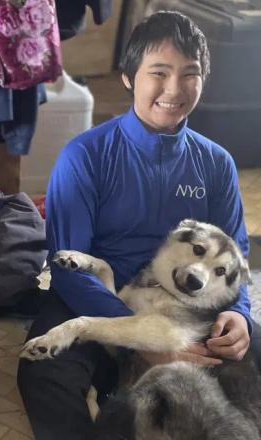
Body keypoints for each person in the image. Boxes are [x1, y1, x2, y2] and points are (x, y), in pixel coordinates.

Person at [17, 11, 261, 440]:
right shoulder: (85, 156)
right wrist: (148, 342)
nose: (174, 89)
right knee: (44, 374)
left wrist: (238, 314)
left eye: (190, 74)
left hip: (190, 305)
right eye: (159, 73)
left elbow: (235, 254)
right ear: (129, 77)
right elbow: (68, 271)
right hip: (96, 297)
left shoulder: (215, 163)